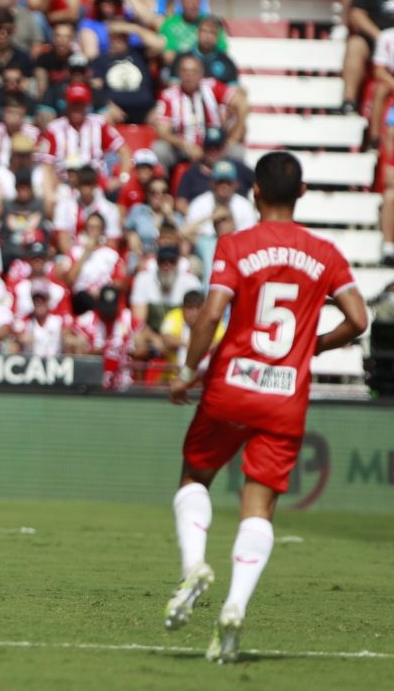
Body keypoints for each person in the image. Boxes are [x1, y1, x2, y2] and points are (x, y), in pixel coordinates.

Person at [165, 150, 366, 663]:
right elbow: (359, 319)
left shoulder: (236, 244)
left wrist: (187, 371)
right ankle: (235, 604)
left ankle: (193, 567)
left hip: (231, 386)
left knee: (194, 478)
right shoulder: (325, 253)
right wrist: (314, 345)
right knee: (260, 508)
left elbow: (211, 313)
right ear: (302, 194)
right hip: (285, 395)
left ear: (254, 192)